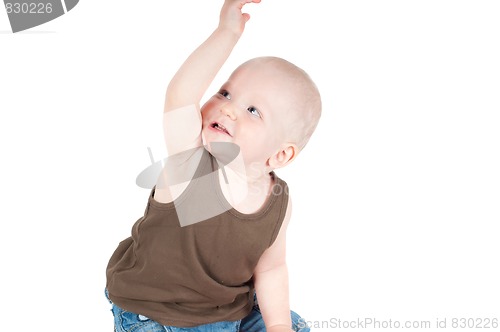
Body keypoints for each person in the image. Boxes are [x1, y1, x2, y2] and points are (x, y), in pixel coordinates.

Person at [105, 0, 321, 331]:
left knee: (293, 325)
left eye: (253, 111)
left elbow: (271, 270)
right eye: (225, 93)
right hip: (156, 313)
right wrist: (227, 32)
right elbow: (180, 96)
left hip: (225, 312)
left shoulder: (277, 200)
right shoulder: (191, 163)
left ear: (280, 156)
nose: (228, 109)